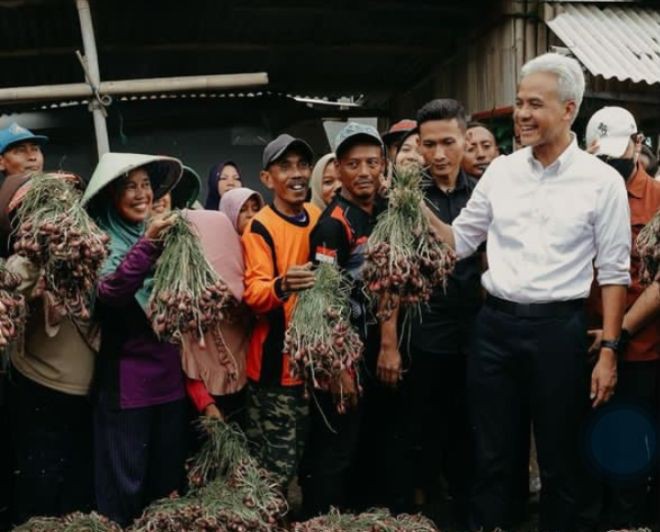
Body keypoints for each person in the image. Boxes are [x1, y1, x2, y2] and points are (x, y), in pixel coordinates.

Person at [424, 53, 631, 531]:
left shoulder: (601, 182)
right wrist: (414, 209)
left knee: (561, 458)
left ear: (569, 110)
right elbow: (460, 242)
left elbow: (615, 272)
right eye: (519, 103)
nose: (521, 114)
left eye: (534, 104)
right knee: (494, 456)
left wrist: (609, 352)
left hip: (559, 331)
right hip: (494, 328)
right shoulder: (501, 173)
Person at [82, 152, 186, 527]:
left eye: (146, 185)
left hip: (169, 383)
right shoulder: (100, 242)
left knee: (165, 485)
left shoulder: (165, 238)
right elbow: (111, 292)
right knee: (123, 487)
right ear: (111, 195)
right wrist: (148, 245)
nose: (142, 194)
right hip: (127, 388)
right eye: (130, 186)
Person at [393, 99, 482, 526]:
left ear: (467, 140)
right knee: (422, 434)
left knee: (470, 434)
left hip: (478, 336)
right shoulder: (404, 202)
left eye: (449, 142)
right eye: (430, 145)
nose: (440, 155)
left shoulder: (484, 193)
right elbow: (388, 275)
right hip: (424, 337)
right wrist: (391, 342)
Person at [301, 123, 393, 517]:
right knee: (336, 449)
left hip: (375, 344)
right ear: (337, 169)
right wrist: (340, 369)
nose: (364, 171)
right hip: (344, 352)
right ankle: (321, 522)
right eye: (353, 164)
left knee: (367, 444)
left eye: (372, 162)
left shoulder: (385, 212)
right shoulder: (333, 224)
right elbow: (323, 299)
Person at [583, 106, 660, 530]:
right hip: (584, 341)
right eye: (602, 157)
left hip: (639, 348)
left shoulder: (658, 201)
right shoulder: (581, 193)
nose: (612, 163)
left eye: (619, 152)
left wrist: (617, 333)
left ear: (638, 143)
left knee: (629, 448)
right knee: (586, 447)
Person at [241, 134, 320, 491]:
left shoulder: (319, 217)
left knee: (310, 461)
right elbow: (254, 294)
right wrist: (283, 285)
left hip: (317, 365)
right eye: (285, 166)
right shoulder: (260, 227)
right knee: (275, 468)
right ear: (266, 178)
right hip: (277, 368)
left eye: (302, 165)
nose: (296, 174)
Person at [0, 122, 48, 528]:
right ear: (2, 162)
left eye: (36, 148)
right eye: (21, 149)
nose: (33, 156)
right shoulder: (7, 199)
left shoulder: (49, 201)